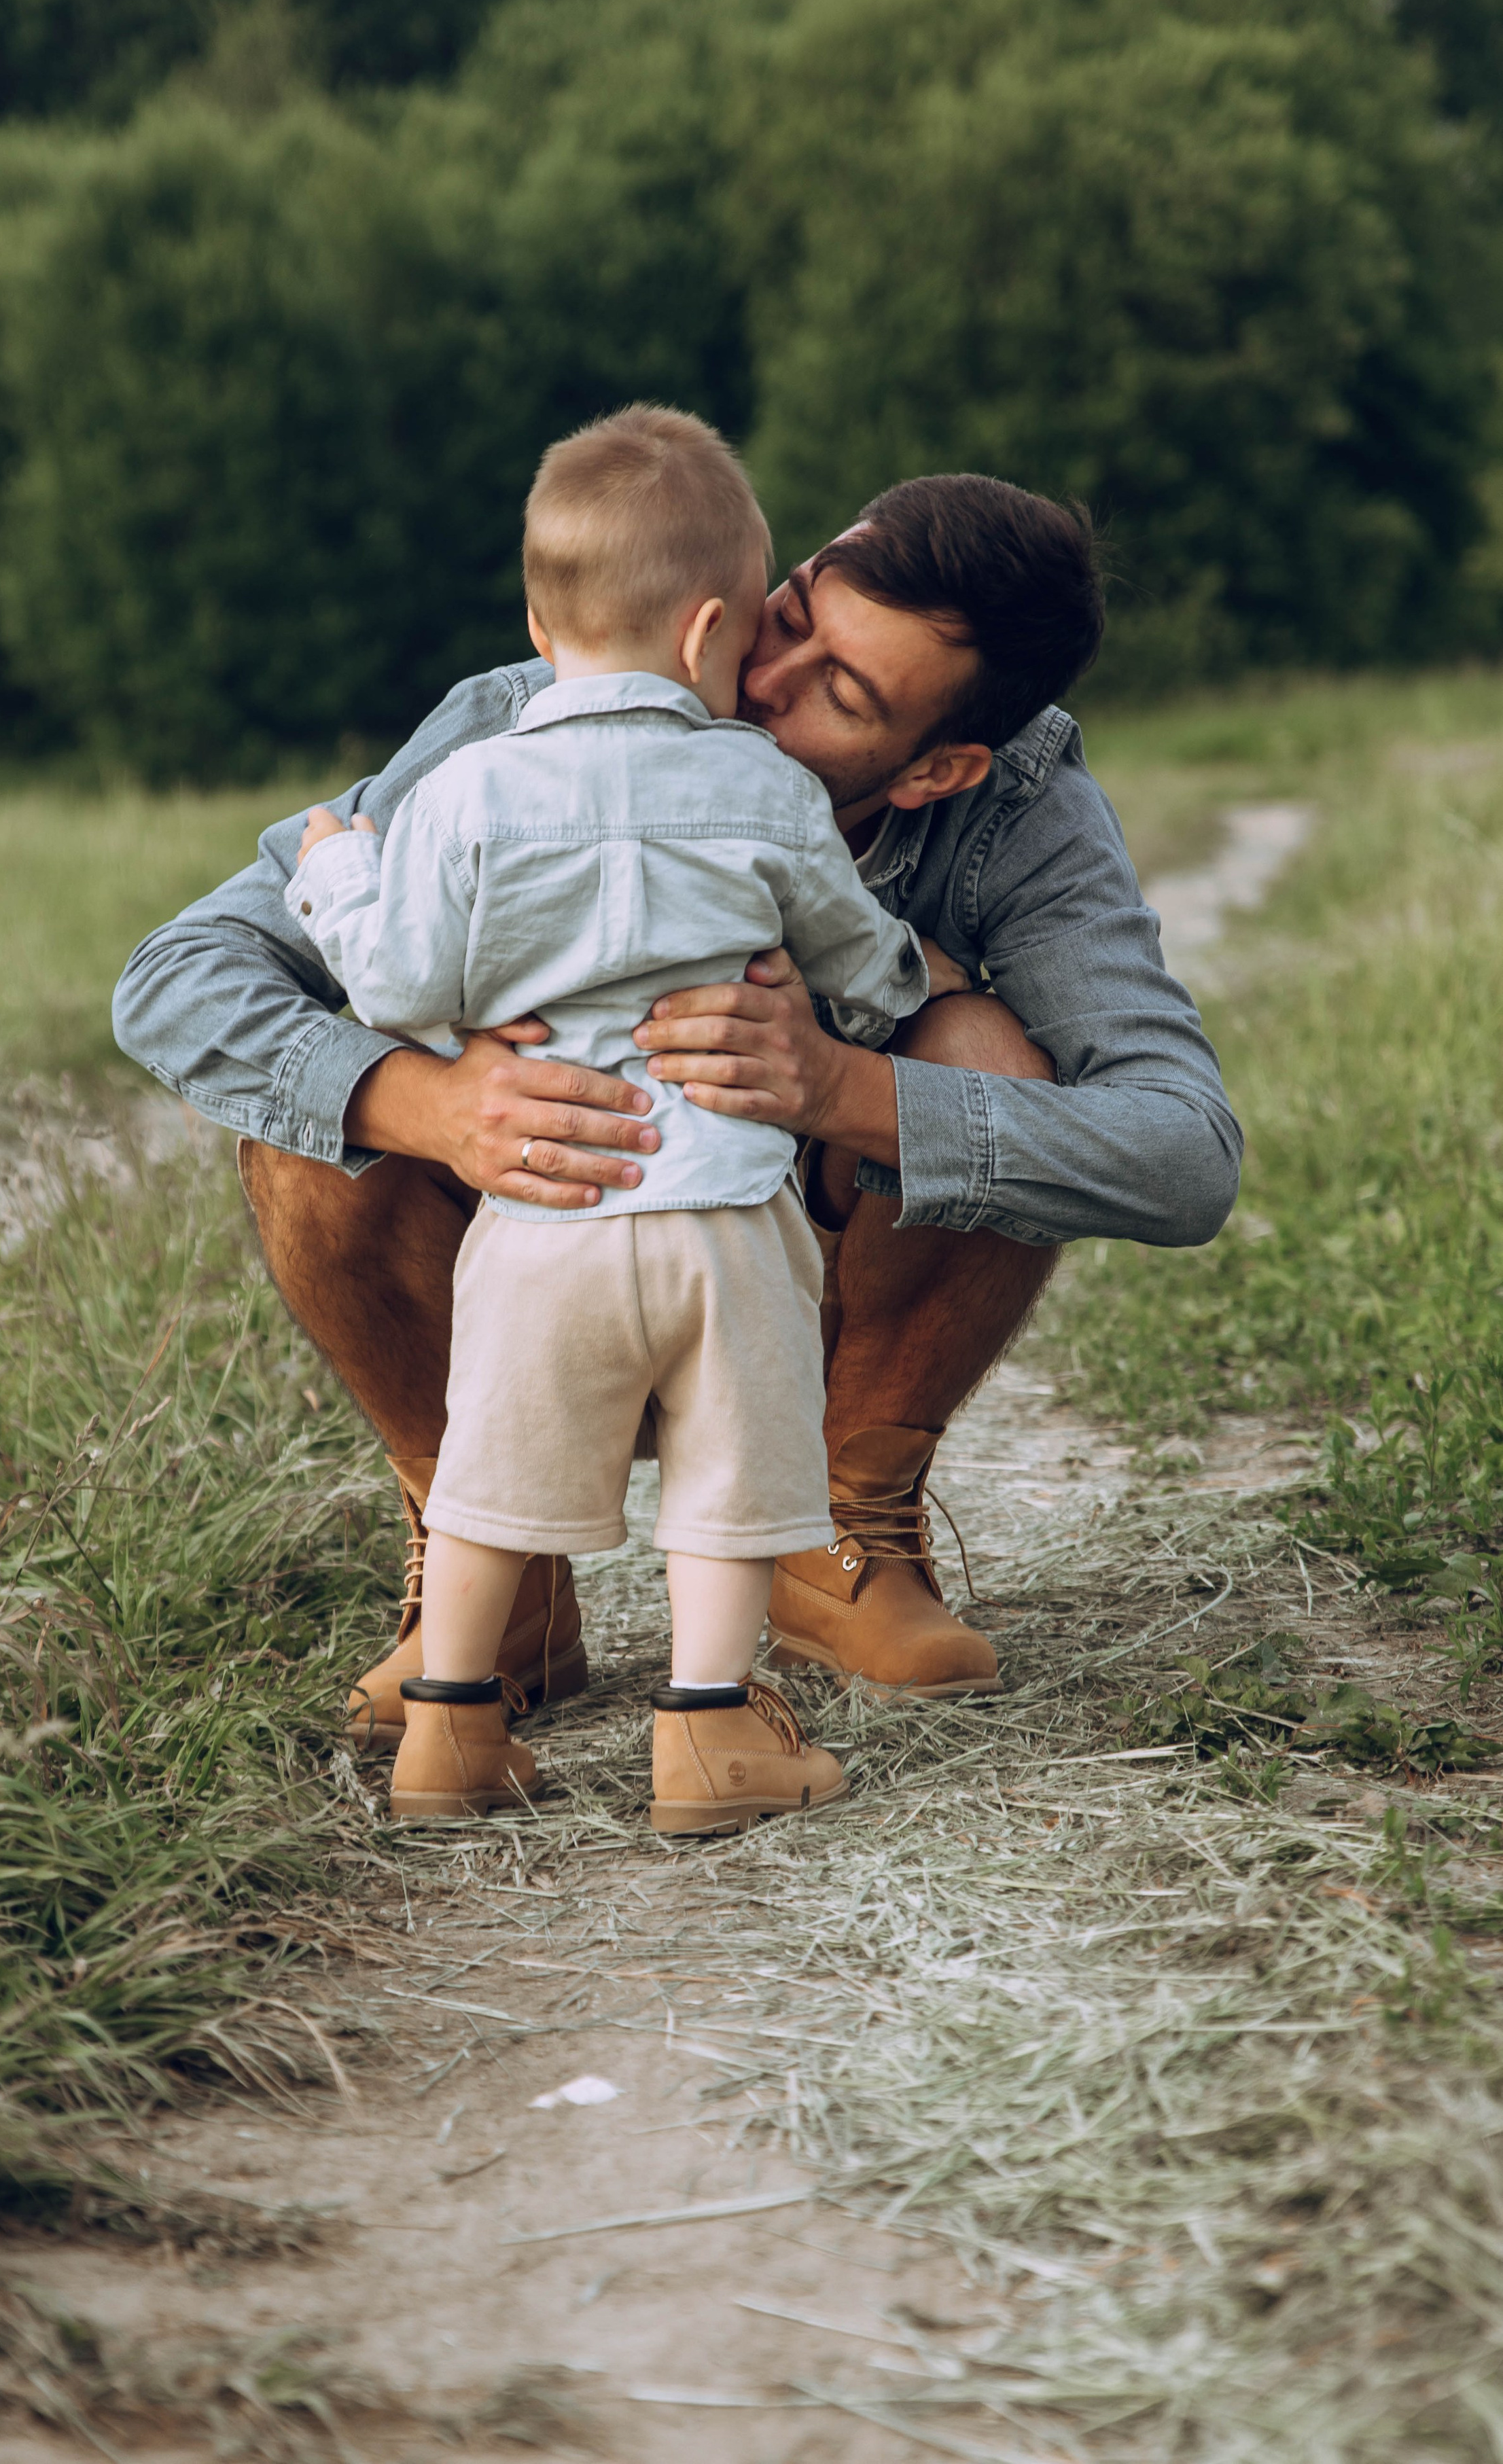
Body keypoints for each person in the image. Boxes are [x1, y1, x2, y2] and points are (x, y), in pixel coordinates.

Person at [112, 462, 1241, 1745]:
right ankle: (490, 1565)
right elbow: (175, 977)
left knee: (983, 1046)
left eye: (841, 692)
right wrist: (432, 1103)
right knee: (321, 1093)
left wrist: (844, 1084)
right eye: (794, 611)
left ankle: (836, 1538)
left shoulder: (1018, 805)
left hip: (785, 1252)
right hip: (527, 1219)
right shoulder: (521, 720)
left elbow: (1182, 1155)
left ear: (941, 767)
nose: (765, 678)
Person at [286, 406, 940, 1830]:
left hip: (543, 1217)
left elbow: (395, 978)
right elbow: (852, 960)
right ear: (717, 632)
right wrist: (901, 972)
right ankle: (708, 1735)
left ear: (535, 618)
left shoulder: (464, 792)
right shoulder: (766, 787)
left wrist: (339, 873)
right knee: (728, 1478)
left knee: (485, 1478)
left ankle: (450, 1734)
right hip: (724, 1215)